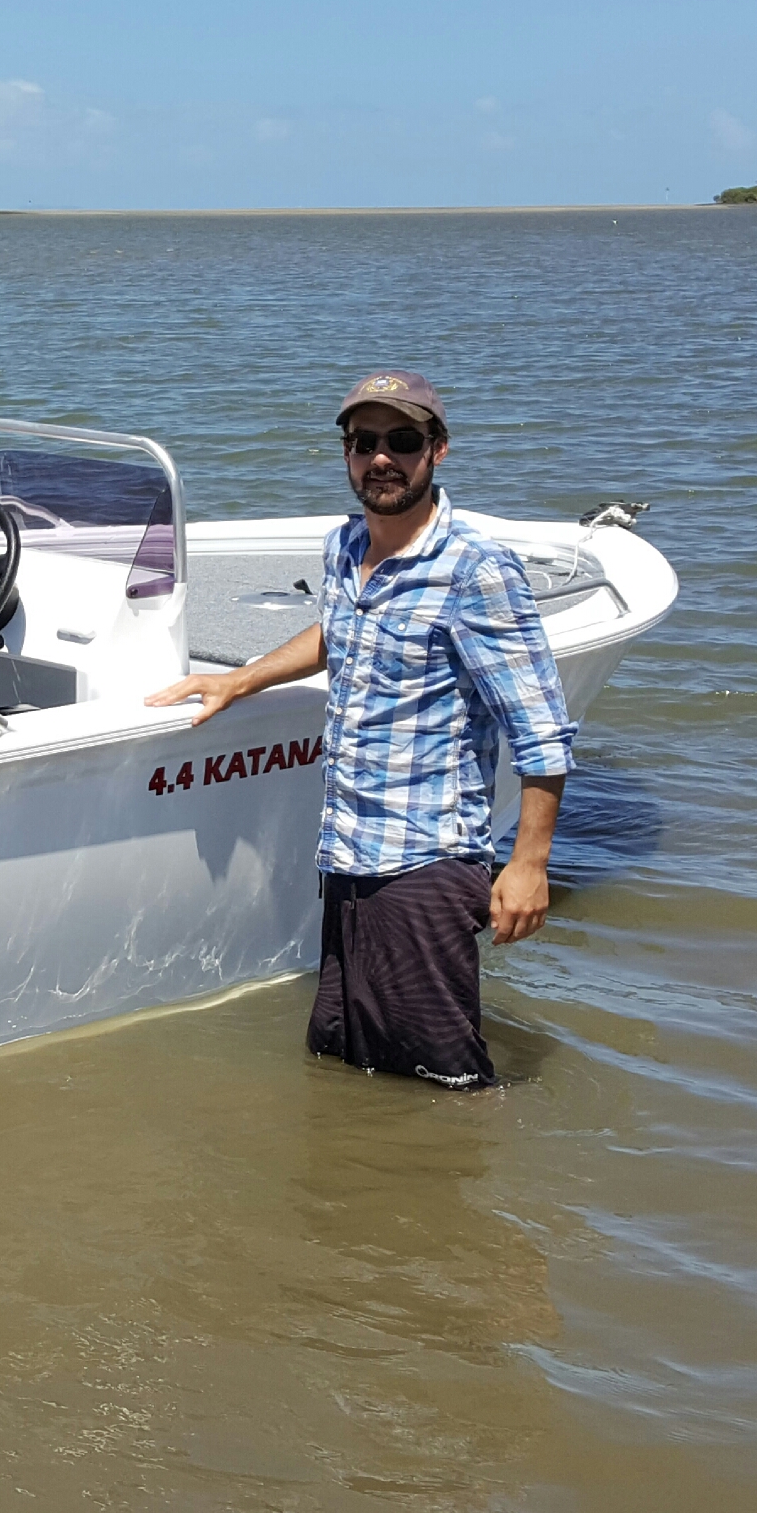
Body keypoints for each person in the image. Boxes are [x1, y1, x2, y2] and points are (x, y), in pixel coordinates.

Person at [145, 370, 576, 1088]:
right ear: (346, 455)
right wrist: (240, 678)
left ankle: (463, 1197)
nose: (381, 458)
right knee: (347, 1067)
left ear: (438, 451)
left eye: (402, 441)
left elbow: (541, 728)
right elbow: (335, 632)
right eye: (364, 442)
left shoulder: (475, 570)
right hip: (346, 858)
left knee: (449, 1092)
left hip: (423, 866)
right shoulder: (345, 548)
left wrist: (528, 864)